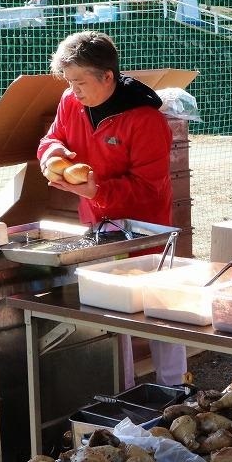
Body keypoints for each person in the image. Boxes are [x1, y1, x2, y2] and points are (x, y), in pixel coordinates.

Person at [37, 31, 187, 389]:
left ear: (108, 76)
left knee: (159, 307)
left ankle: (176, 387)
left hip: (146, 229)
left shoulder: (145, 119)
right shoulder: (70, 102)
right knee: (111, 308)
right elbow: (52, 137)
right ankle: (122, 388)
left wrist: (98, 190)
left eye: (80, 82)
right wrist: (51, 155)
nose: (74, 91)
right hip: (99, 225)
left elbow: (149, 187)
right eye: (69, 82)